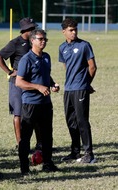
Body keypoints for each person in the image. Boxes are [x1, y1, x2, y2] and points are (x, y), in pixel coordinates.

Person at [0, 17, 42, 151]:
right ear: (25, 30)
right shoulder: (15, 43)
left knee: (36, 114)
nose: (34, 30)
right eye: (32, 28)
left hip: (32, 83)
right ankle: (21, 143)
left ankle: (40, 143)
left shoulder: (35, 42)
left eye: (35, 28)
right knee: (18, 114)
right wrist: (9, 72)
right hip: (17, 83)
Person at [16, 29, 60, 174]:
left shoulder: (46, 57)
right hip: (30, 104)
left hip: (46, 103)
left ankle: (48, 163)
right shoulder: (26, 59)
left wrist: (52, 84)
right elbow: (19, 82)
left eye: (45, 39)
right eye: (40, 39)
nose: (43, 42)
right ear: (32, 40)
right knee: (26, 136)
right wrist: (38, 87)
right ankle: (24, 168)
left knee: (47, 135)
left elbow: (46, 75)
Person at [59, 18, 97, 164]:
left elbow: (92, 67)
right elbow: (67, 67)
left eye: (75, 29)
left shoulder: (84, 45)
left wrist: (86, 84)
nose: (74, 32)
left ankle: (89, 154)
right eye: (70, 30)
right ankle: (75, 152)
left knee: (82, 121)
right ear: (64, 32)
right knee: (71, 122)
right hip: (68, 89)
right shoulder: (62, 47)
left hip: (80, 88)